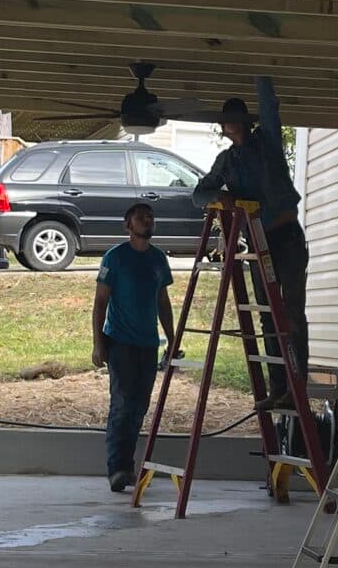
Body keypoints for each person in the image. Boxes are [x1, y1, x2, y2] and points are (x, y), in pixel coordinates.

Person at [193, 74, 309, 386]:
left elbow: (270, 110)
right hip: (259, 241)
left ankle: (297, 384)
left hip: (287, 236)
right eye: (224, 120)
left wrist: (262, 76)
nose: (227, 124)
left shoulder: (267, 142)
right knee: (268, 315)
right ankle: (278, 385)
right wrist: (220, 197)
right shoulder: (226, 161)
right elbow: (198, 195)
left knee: (292, 312)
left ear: (244, 122)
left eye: (232, 118)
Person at [91, 199, 177, 493]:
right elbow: (100, 302)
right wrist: (98, 343)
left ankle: (128, 466)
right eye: (140, 217)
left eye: (150, 216)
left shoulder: (158, 259)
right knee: (122, 404)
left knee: (139, 406)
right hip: (120, 342)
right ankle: (117, 468)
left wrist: (172, 337)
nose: (147, 221)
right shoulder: (115, 258)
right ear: (128, 225)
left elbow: (162, 301)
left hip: (148, 343)